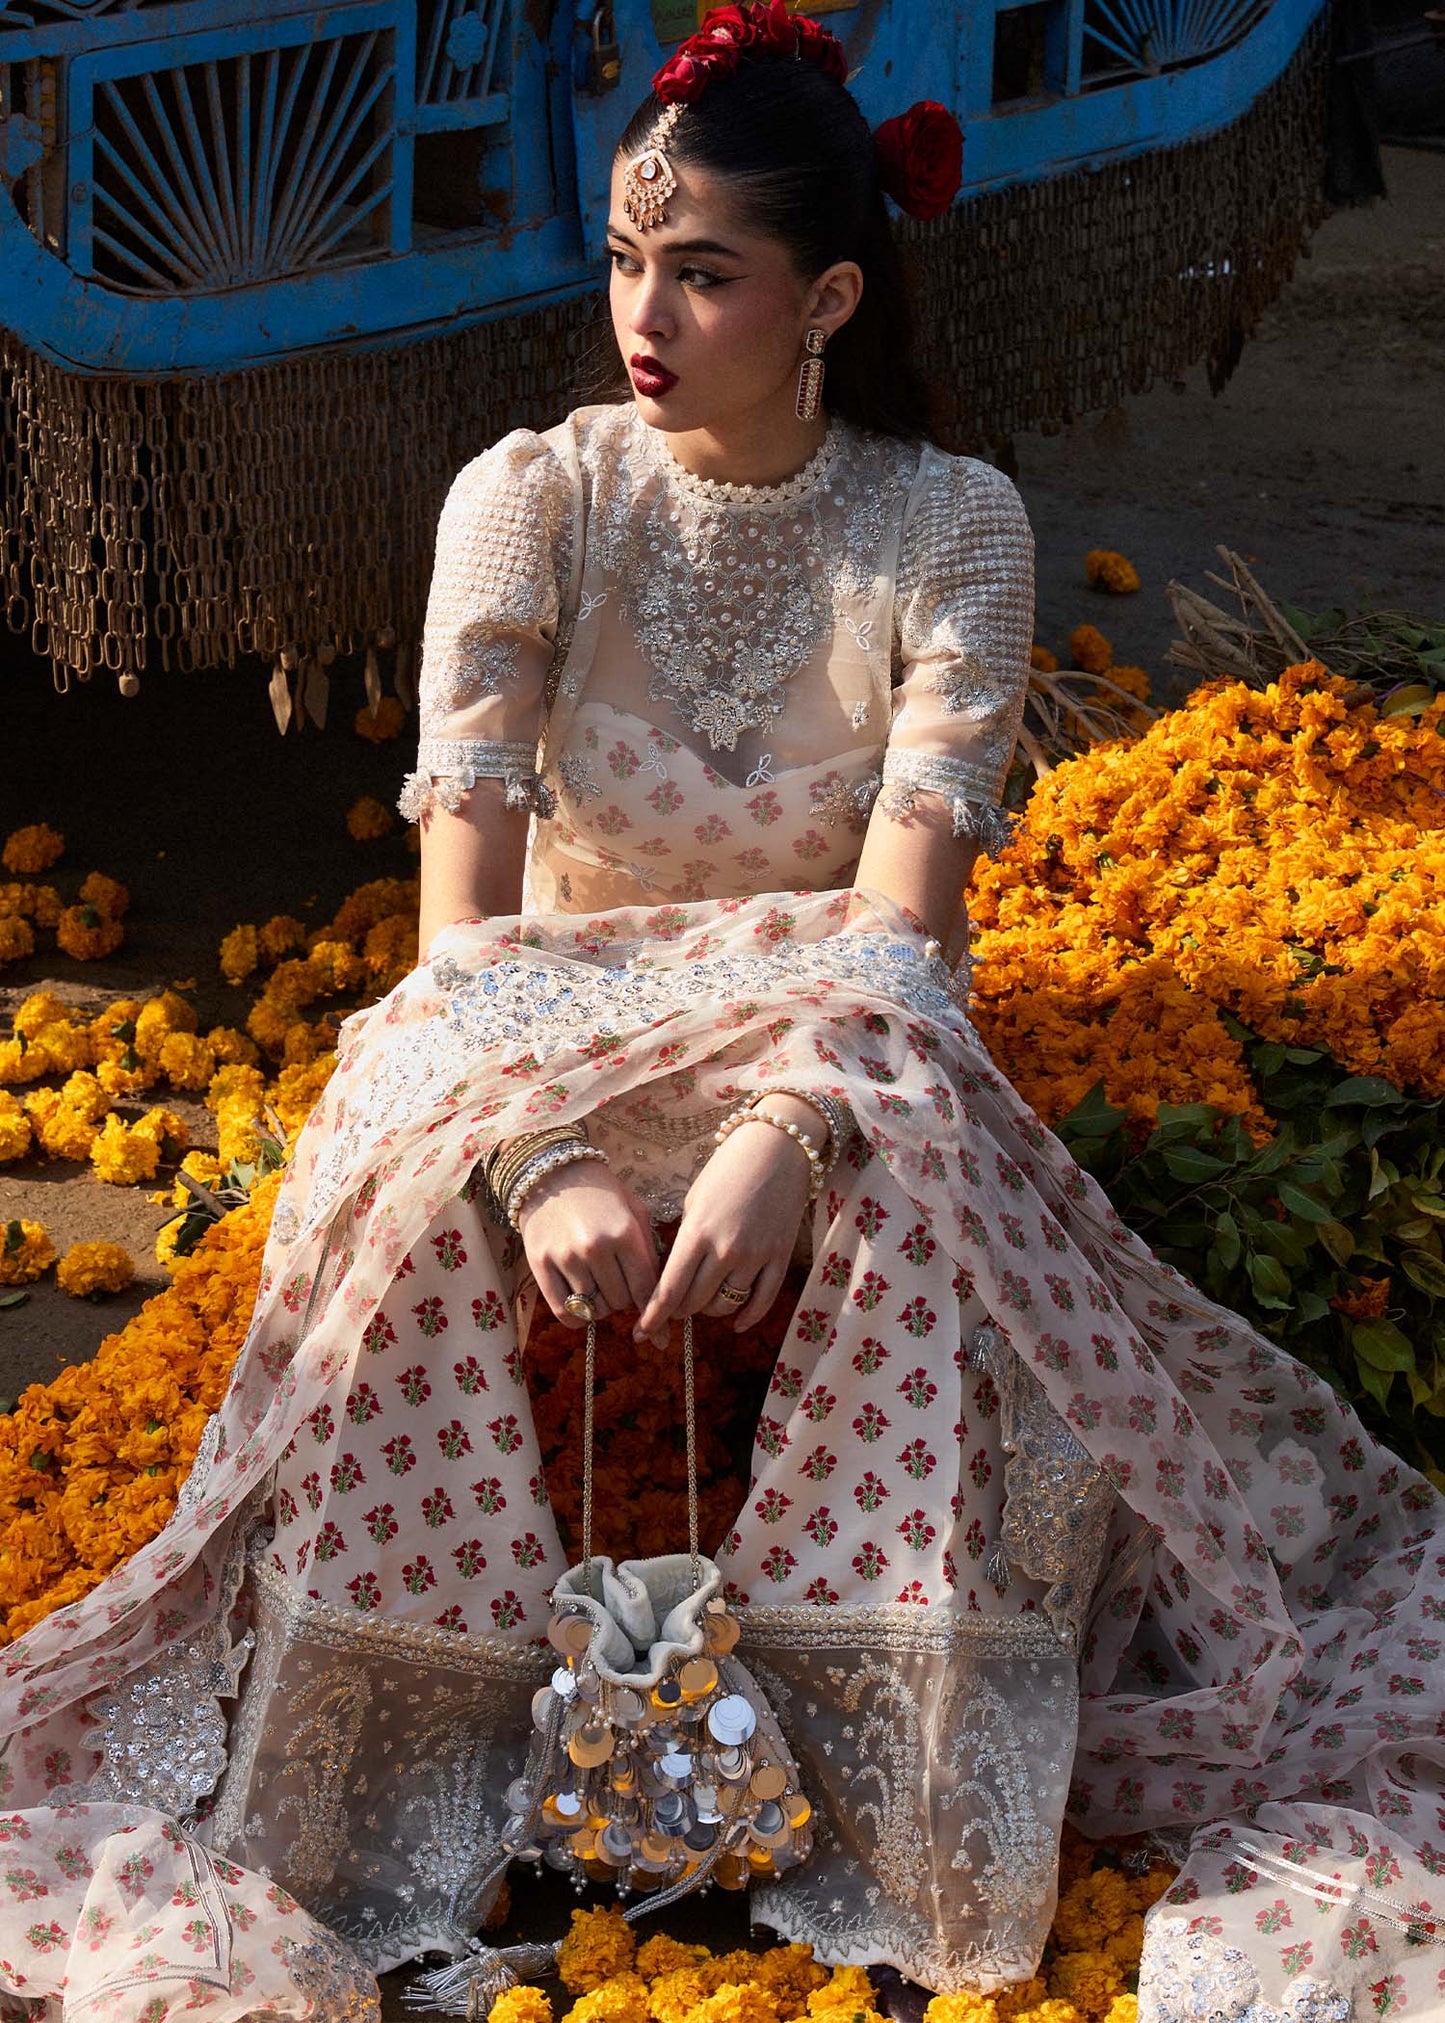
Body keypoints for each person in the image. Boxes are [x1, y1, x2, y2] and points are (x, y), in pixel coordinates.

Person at [0, 8, 1440, 2020]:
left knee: (908, 1211)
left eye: (702, 268)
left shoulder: (949, 525)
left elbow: (904, 924)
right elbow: (462, 918)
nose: (642, 311)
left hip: (834, 1030)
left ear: (829, 293)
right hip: (532, 1028)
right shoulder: (532, 499)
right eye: (619, 254)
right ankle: (411, 1792)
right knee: (420, 1225)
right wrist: (540, 1150)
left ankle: (865, 1794)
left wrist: (787, 1136)